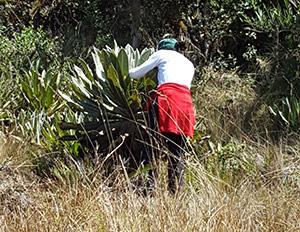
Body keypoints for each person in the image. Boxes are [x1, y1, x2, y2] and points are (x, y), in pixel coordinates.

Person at [129, 38, 195, 194]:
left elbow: (135, 74)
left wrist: (126, 72)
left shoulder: (162, 54)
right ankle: (175, 193)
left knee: (150, 145)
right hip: (185, 105)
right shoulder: (189, 64)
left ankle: (148, 188)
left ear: (160, 48)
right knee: (177, 152)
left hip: (166, 101)